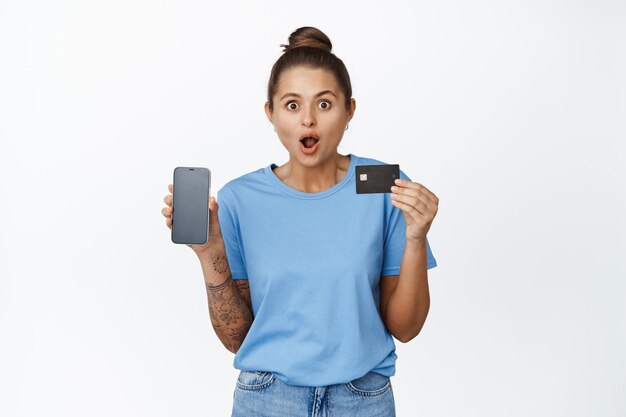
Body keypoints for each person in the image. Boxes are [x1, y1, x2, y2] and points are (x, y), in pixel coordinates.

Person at [162, 26, 439, 417]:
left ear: (350, 111)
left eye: (324, 104)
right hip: (267, 398)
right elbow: (237, 337)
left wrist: (415, 237)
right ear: (270, 113)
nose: (308, 120)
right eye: (292, 105)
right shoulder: (240, 198)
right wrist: (210, 252)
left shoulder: (381, 184)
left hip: (362, 399)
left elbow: (406, 328)